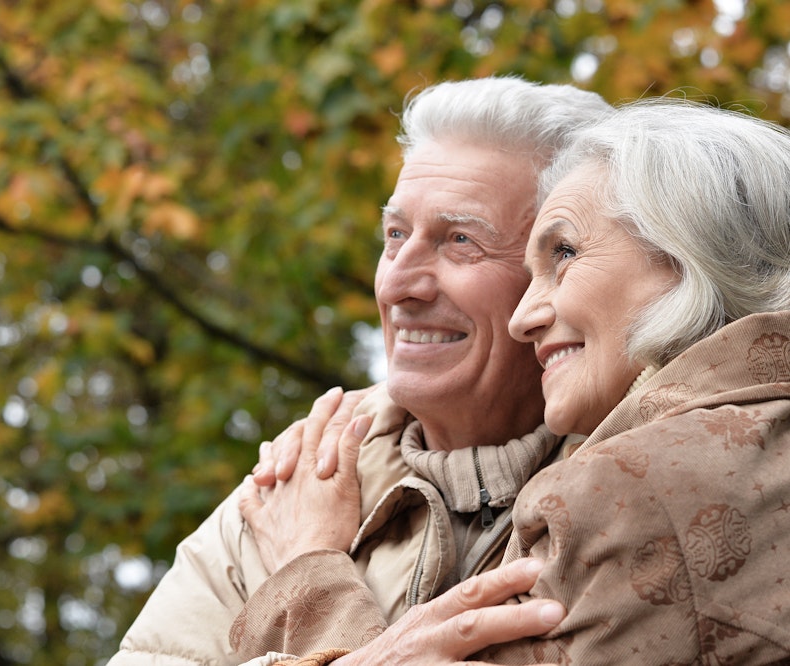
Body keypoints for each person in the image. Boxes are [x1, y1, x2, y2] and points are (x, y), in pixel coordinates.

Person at [107, 76, 612, 665]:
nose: (397, 283)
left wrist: (308, 578)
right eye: (395, 235)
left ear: (559, 267)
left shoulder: (640, 475)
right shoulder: (294, 483)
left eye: (460, 240)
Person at [277, 98, 790, 664]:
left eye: (563, 253)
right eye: (394, 234)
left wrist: (307, 571)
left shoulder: (624, 492)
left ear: (692, 255)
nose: (523, 318)